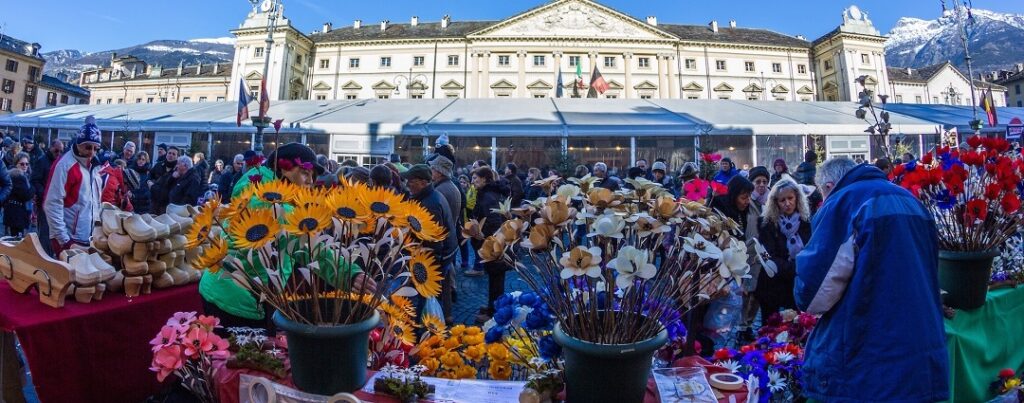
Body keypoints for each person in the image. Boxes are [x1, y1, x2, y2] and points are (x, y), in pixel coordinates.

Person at [795, 158, 948, 401]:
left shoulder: (844, 202)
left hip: (870, 357)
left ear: (829, 186)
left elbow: (815, 295)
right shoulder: (911, 201)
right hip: (923, 352)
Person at [200, 143, 374, 330]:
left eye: (313, 176)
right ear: (284, 169)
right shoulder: (275, 205)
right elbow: (310, 249)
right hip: (239, 297)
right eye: (305, 173)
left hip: (218, 285)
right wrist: (348, 274)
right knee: (245, 356)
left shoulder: (255, 186)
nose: (310, 181)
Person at [709, 175, 761, 343]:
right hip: (717, 268)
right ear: (733, 195)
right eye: (743, 197)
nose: (747, 201)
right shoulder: (721, 210)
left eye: (748, 197)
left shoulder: (744, 212)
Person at [404, 164, 458, 323]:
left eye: (411, 181)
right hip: (442, 253)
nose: (408, 184)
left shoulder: (430, 204)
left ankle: (422, 329)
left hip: (432, 259)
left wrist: (428, 268)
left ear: (423, 182)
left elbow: (433, 240)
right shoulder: (431, 196)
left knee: (425, 296)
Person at [44, 116, 102, 255]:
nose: (92, 152)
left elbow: (94, 202)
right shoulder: (65, 165)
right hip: (69, 238)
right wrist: (64, 240)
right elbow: (52, 203)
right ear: (78, 144)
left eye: (96, 148)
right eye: (88, 147)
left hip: (87, 237)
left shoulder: (94, 166)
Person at [755, 178, 811, 316]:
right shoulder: (766, 223)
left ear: (797, 198)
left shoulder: (806, 221)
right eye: (782, 200)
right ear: (775, 202)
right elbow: (767, 254)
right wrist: (795, 268)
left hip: (797, 284)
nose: (787, 203)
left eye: (790, 198)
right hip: (772, 283)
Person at [471, 167, 510, 322]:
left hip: (494, 245)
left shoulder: (487, 197)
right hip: (495, 243)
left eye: (475, 178)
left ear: (485, 179)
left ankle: (494, 313)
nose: (473, 181)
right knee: (495, 278)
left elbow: (493, 221)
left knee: (496, 279)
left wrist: (484, 237)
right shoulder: (490, 194)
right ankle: (492, 307)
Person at [31, 139, 63, 253]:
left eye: (60, 151)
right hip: (44, 203)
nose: (58, 153)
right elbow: (34, 180)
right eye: (56, 151)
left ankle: (49, 255)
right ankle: (44, 256)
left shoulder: (59, 162)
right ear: (51, 148)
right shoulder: (42, 161)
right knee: (44, 233)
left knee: (54, 233)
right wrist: (45, 194)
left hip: (56, 204)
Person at [4, 153, 32, 237]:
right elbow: (26, 195)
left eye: (27, 164)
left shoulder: (24, 176)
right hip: (16, 213)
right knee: (16, 240)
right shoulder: (16, 176)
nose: (25, 166)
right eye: (22, 164)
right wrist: (33, 188)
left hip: (17, 212)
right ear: (16, 164)